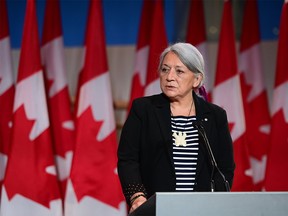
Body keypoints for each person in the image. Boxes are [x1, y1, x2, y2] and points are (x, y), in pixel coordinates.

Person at [117, 42, 235, 213]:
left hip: (201, 210)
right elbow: (128, 159)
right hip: (154, 209)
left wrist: (213, 201)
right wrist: (137, 195)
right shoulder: (143, 109)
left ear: (197, 79)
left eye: (179, 71)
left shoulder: (215, 116)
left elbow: (224, 167)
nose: (170, 77)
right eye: (165, 69)